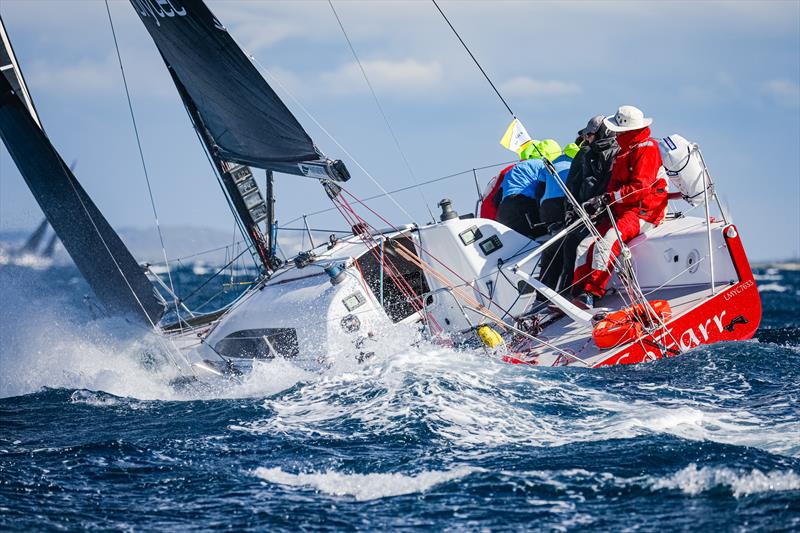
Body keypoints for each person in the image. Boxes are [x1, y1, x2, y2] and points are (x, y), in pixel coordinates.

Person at [571, 105, 668, 308]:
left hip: (644, 211)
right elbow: (614, 186)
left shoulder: (647, 149)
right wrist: (600, 203)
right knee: (584, 245)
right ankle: (577, 293)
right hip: (622, 210)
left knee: (608, 241)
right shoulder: (623, 152)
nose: (614, 132)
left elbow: (640, 188)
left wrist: (607, 199)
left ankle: (592, 293)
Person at [495, 140, 558, 238]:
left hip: (503, 211)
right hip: (523, 207)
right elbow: (543, 191)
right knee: (542, 237)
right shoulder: (542, 165)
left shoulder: (515, 168)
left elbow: (496, 198)